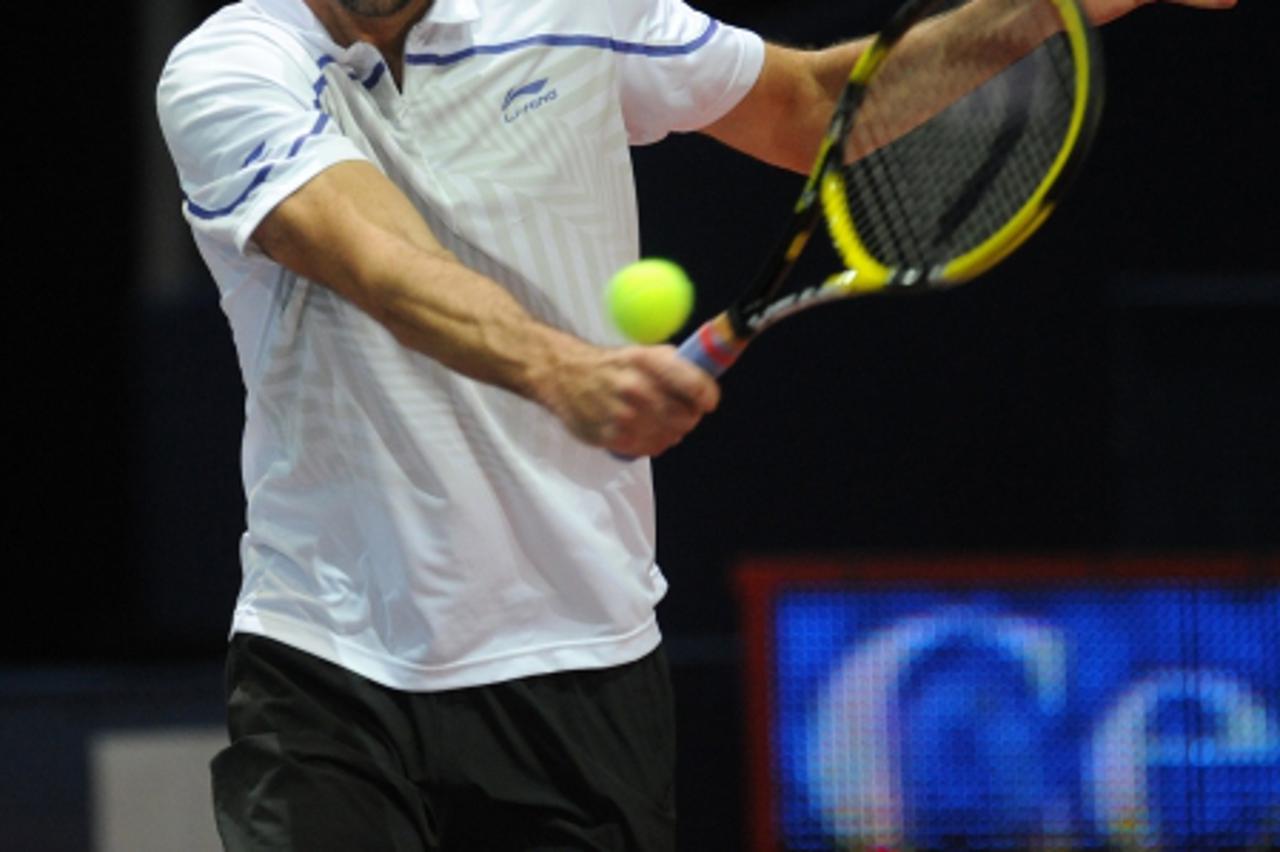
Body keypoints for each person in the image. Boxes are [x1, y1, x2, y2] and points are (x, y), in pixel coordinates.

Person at [156, 0, 1235, 849]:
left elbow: (814, 108)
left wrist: (1059, 2)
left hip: (581, 660)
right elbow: (374, 256)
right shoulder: (228, 67)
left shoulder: (576, 10)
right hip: (330, 665)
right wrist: (560, 369)